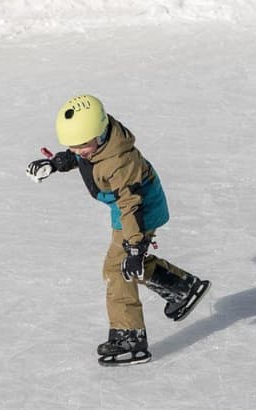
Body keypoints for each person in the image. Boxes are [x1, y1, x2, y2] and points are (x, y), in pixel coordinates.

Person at [26, 94, 210, 366]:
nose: (78, 152)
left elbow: (131, 205)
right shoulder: (98, 144)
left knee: (118, 269)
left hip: (138, 211)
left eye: (82, 147)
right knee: (127, 266)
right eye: (72, 147)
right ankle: (181, 288)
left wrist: (135, 247)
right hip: (126, 209)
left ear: (99, 135)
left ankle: (129, 337)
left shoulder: (119, 162)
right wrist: (55, 163)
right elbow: (83, 159)